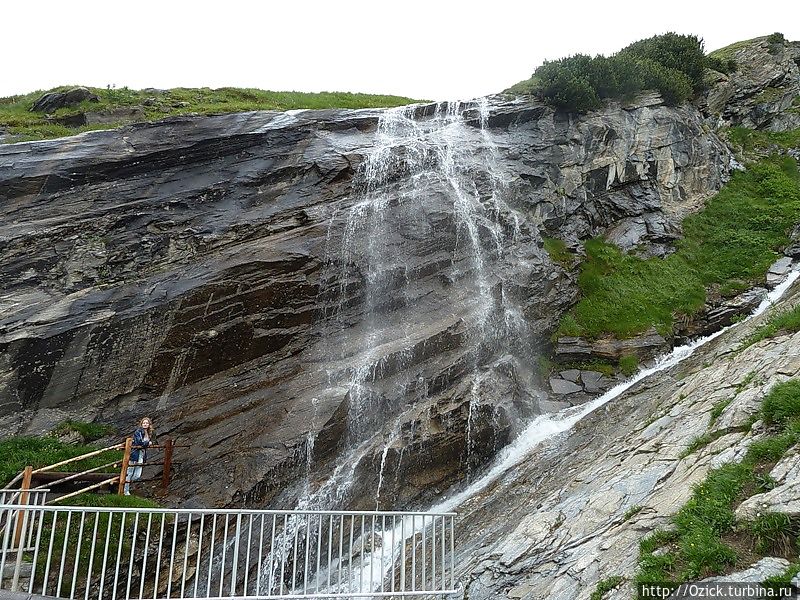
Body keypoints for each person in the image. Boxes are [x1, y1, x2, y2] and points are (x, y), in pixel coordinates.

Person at [124, 417, 155, 495]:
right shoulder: (138, 432)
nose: (145, 424)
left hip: (142, 454)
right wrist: (148, 443)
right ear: (141, 424)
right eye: (144, 423)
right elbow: (139, 442)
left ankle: (127, 485)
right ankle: (125, 490)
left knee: (137, 475)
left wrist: (148, 443)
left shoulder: (149, 433)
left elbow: (150, 442)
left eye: (147, 423)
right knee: (130, 472)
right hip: (135, 453)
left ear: (149, 424)